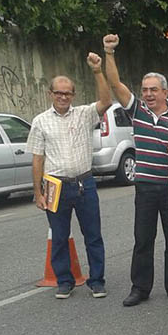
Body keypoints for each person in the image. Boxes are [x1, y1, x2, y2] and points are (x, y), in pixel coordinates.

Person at [102, 34, 168, 307]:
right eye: (145, 89)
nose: (148, 94)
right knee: (143, 239)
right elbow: (115, 83)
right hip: (145, 186)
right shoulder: (137, 111)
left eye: (154, 89)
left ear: (165, 91)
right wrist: (109, 53)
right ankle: (140, 288)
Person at [26, 54, 112, 299]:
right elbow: (37, 158)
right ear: (50, 94)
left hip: (84, 182)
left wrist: (97, 71)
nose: (63, 97)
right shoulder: (40, 122)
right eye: (58, 93)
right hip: (55, 185)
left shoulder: (84, 114)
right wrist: (37, 192)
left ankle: (97, 280)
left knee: (93, 235)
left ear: (73, 95)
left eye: (67, 93)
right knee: (60, 236)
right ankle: (64, 281)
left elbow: (106, 100)